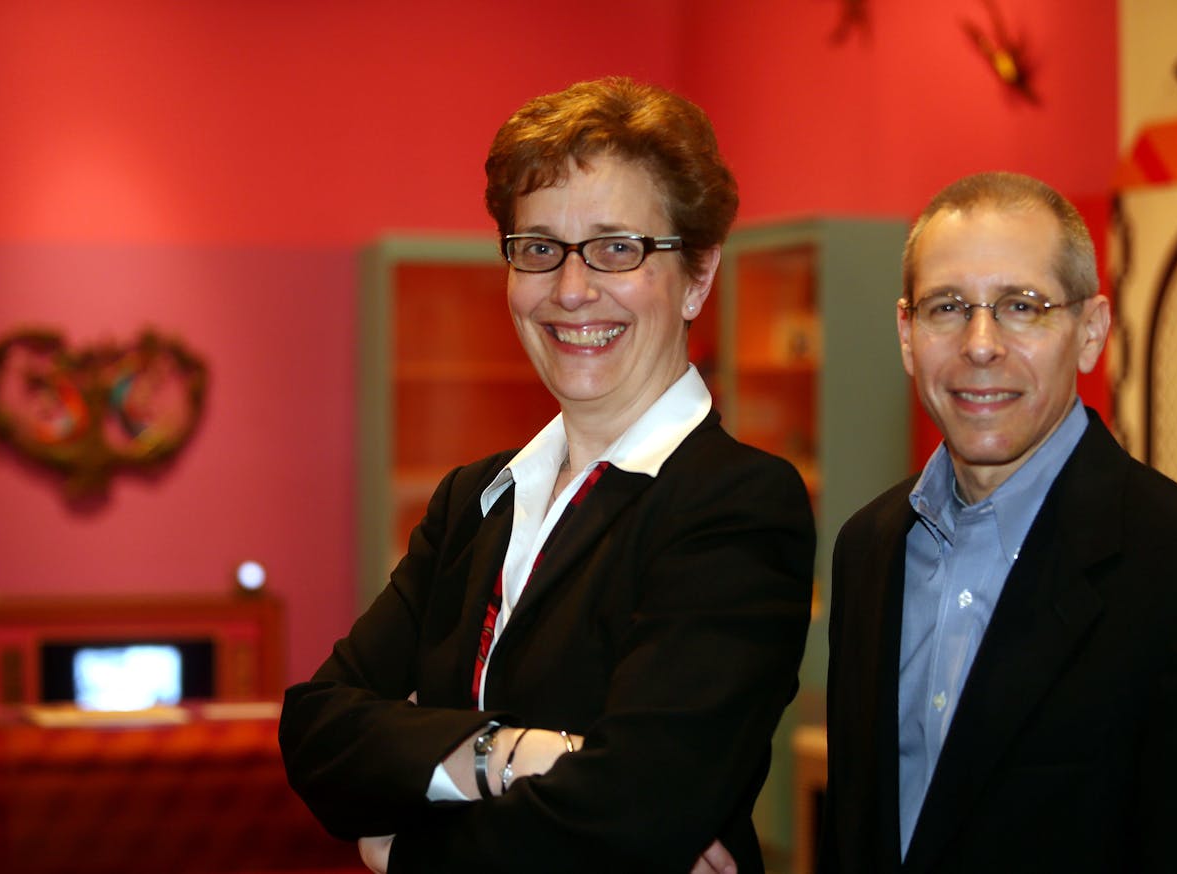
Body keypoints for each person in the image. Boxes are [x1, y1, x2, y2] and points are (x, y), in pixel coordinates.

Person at [279, 76, 815, 874]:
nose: (570, 289)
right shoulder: (474, 500)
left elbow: (633, 809)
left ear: (699, 275)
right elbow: (318, 730)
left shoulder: (735, 505)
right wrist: (522, 752)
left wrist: (400, 848)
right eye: (539, 249)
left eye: (617, 247)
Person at [818, 171, 1177, 872]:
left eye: (1022, 305)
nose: (981, 343)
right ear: (907, 333)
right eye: (947, 306)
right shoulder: (868, 548)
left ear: (1090, 332)